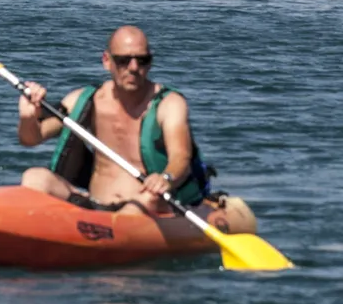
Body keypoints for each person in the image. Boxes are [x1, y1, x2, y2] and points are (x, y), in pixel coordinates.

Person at [16, 25, 216, 218]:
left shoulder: (169, 104)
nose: (133, 68)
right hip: (94, 203)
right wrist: (28, 116)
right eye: (123, 60)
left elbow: (180, 157)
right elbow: (32, 138)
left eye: (142, 60)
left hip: (145, 206)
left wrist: (166, 178)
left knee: (145, 200)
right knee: (34, 177)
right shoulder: (85, 99)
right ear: (106, 61)